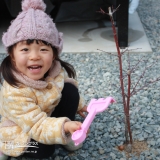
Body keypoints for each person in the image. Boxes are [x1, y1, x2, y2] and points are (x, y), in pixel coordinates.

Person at [0, 0, 88, 159]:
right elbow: (36, 125)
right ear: (12, 56)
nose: (34, 56)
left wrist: (80, 105)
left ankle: (64, 135)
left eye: (43, 49)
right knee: (43, 151)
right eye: (25, 49)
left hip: (45, 115)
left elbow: (59, 87)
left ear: (54, 54)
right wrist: (64, 126)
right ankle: (5, 147)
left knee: (70, 91)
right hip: (23, 128)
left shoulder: (54, 70)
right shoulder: (15, 91)